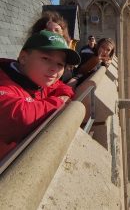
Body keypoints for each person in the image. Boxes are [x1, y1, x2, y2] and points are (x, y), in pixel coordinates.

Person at [0, 30, 81, 159]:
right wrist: (59, 102)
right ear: (23, 58)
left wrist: (63, 96)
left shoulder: (35, 79)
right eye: (46, 58)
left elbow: (62, 86)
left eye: (60, 64)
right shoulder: (4, 82)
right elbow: (20, 117)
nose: (54, 68)